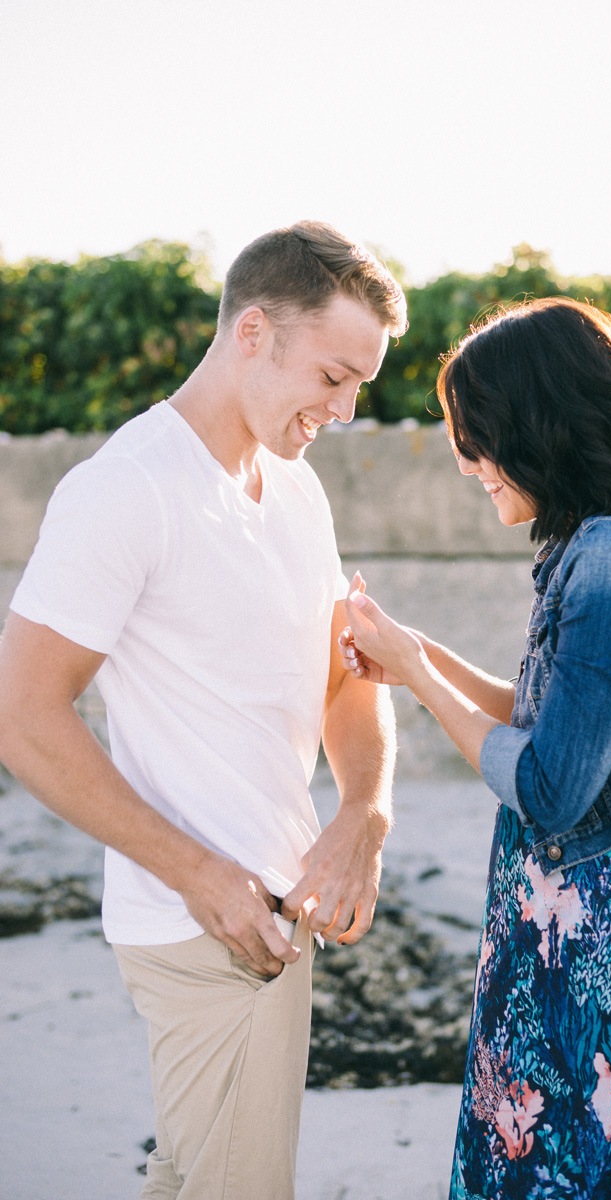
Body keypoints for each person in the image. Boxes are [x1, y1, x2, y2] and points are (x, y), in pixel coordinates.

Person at [0, 221, 406, 1200]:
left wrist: (364, 809)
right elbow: (21, 716)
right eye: (333, 376)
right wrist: (202, 878)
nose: (345, 410)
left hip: (274, 914)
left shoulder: (297, 491)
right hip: (207, 926)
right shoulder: (124, 489)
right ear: (254, 333)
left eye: (360, 387)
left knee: (194, 1181)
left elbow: (344, 671)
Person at [340, 297, 611, 1199]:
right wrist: (414, 656)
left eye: (477, 434)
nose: (468, 461)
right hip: (586, 924)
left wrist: (421, 678)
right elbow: (556, 716)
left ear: (539, 423)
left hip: (609, 944)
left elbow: (551, 785)